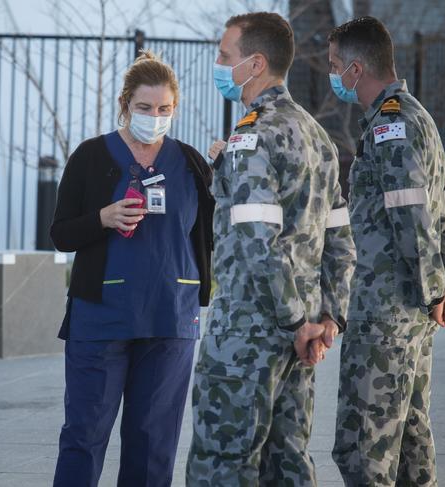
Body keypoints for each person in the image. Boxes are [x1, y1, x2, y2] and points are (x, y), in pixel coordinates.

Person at [186, 12, 356, 486]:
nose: (218, 63)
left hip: (248, 331)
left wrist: (296, 321)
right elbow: (340, 237)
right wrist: (327, 320)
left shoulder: (252, 135)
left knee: (222, 462)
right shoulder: (315, 134)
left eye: (225, 55)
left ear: (255, 63)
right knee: (287, 463)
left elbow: (258, 242)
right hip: (298, 338)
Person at [50, 50, 215, 487]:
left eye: (164, 109)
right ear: (125, 104)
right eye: (144, 108)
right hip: (102, 316)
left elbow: (215, 233)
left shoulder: (192, 163)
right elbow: (61, 234)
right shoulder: (90, 156)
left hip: (171, 317)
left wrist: (229, 173)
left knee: (153, 442)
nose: (154, 117)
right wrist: (101, 218)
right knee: (84, 435)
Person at [327, 16, 445, 486]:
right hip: (411, 311)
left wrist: (436, 293)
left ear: (356, 68)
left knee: (363, 448)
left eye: (333, 66)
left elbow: (412, 216)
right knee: (409, 440)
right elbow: (438, 210)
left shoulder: (391, 126)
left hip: (386, 313)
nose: (332, 76)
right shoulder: (415, 117)